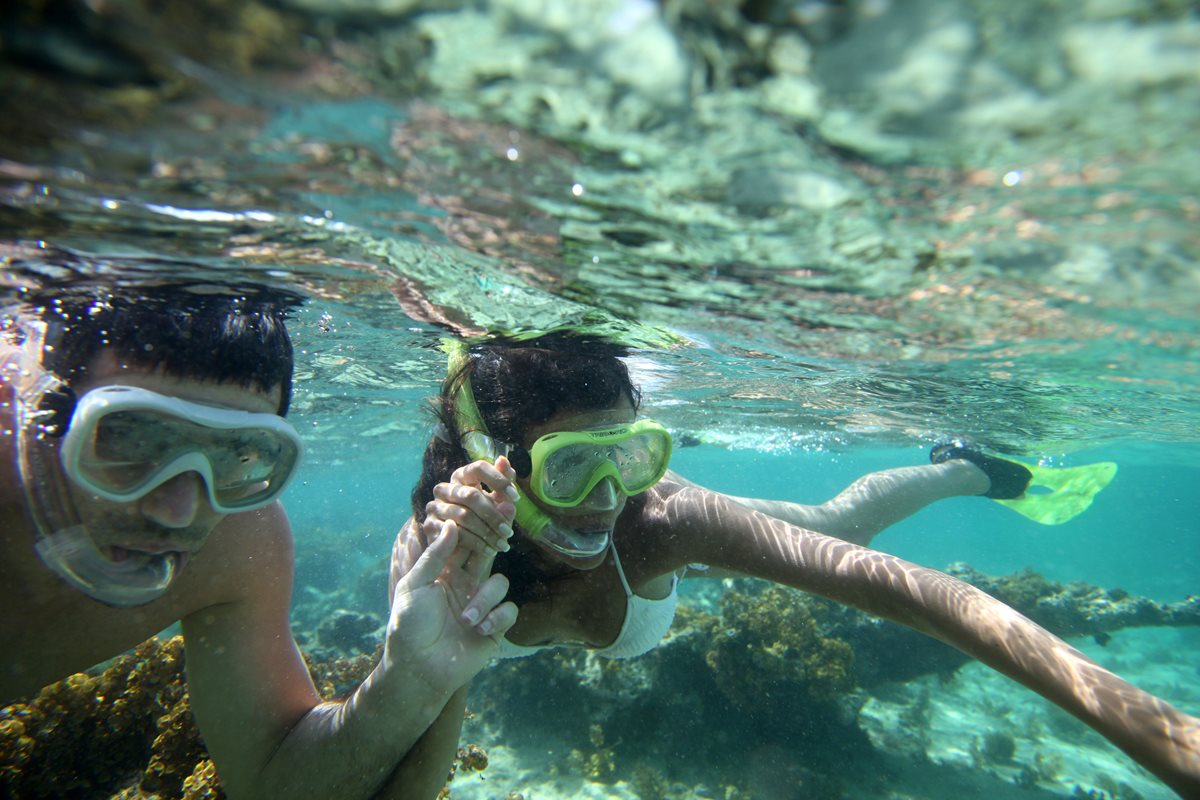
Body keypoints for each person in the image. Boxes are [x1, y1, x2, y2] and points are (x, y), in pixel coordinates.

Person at [391, 335, 1200, 798]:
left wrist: (1158, 733)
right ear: (497, 468)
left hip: (658, 571)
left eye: (631, 455)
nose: (608, 497)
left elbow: (899, 587)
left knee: (839, 526)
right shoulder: (441, 559)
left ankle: (968, 468)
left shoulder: (659, 518)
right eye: (571, 469)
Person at [0, 279, 514, 800]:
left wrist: (413, 681)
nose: (178, 510)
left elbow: (274, 781)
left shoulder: (239, 536)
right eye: (130, 438)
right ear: (32, 405)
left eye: (236, 456)